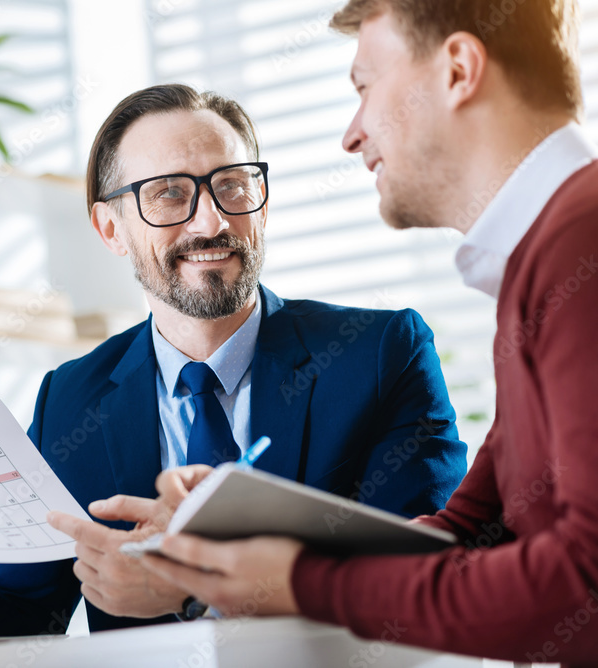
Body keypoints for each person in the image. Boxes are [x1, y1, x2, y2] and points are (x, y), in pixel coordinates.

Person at [0, 84, 467, 635]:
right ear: (110, 229)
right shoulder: (71, 402)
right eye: (169, 194)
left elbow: (429, 586)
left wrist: (193, 588)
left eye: (232, 185)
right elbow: (17, 624)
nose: (212, 220)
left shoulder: (380, 355)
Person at [104, 1, 598, 664]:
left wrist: (299, 582)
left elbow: (584, 587)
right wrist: (230, 539)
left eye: (365, 88)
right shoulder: (545, 257)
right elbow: (471, 531)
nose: (351, 135)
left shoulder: (580, 247)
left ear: (458, 70)